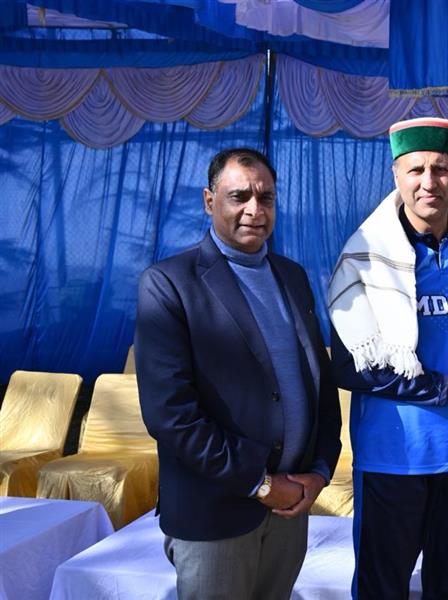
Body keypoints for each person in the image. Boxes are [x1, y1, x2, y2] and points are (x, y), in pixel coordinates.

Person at [134, 148, 342, 600]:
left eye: (266, 198)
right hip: (216, 515)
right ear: (210, 201)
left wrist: (320, 471)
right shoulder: (170, 283)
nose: (255, 210)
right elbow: (171, 415)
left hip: (290, 510)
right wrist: (261, 484)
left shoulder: (291, 276)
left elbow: (318, 384)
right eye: (239, 196)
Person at [327, 117, 448, 599]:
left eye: (441, 168)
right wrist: (441, 386)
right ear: (396, 175)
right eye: (416, 170)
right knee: (382, 588)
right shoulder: (365, 257)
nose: (430, 182)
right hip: (394, 458)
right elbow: (348, 365)